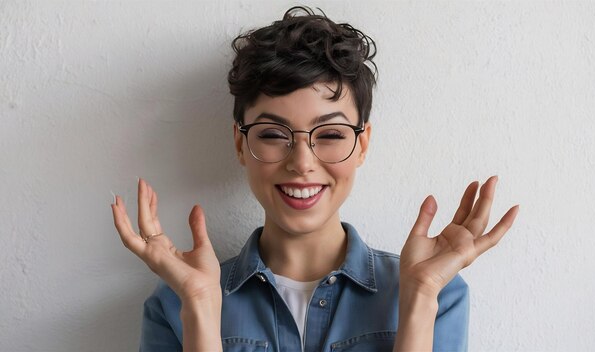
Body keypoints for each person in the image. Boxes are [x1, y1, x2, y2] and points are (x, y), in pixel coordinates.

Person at [111, 6, 518, 352]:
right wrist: (200, 306)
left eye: (330, 135)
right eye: (273, 134)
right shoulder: (174, 302)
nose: (302, 162)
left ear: (362, 145)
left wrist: (419, 301)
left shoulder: (440, 292)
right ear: (240, 143)